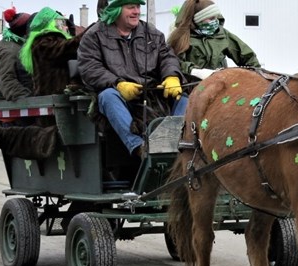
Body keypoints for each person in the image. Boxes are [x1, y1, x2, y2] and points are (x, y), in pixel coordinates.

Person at [77, 0, 184, 158]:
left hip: (153, 96)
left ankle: (176, 142)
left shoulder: (151, 32)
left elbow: (167, 57)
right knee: (107, 96)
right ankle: (139, 147)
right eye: (130, 7)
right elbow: (89, 68)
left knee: (186, 98)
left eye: (138, 7)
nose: (136, 11)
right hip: (121, 97)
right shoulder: (94, 35)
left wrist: (172, 76)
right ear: (115, 10)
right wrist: (118, 84)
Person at [167, 0, 260, 80]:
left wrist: (257, 75)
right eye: (211, 18)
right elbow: (171, 63)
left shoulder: (222, 34)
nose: (216, 21)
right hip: (191, 88)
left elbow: (247, 56)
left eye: (216, 17)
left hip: (219, 86)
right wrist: (195, 71)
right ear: (198, 19)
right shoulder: (181, 37)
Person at [19, 7, 82, 96]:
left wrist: (71, 35)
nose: (66, 26)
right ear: (51, 24)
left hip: (60, 99)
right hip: (52, 101)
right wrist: (92, 29)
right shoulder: (42, 43)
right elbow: (68, 48)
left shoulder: (48, 41)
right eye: (61, 22)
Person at [0, 7, 34, 102]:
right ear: (25, 29)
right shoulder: (9, 50)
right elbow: (7, 80)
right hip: (12, 107)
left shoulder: (18, 45)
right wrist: (28, 100)